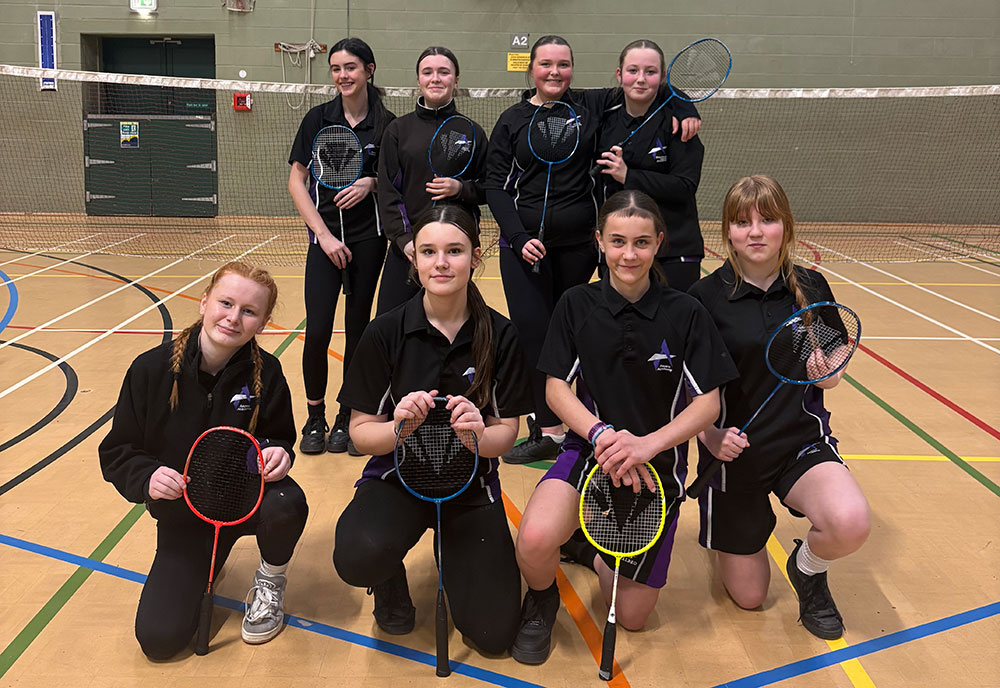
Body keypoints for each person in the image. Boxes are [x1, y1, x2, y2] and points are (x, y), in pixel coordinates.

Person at [511, 191, 737, 664]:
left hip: (657, 470)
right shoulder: (576, 304)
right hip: (590, 454)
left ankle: (588, 547)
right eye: (617, 241)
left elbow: (708, 403)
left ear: (658, 243)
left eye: (640, 242)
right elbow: (556, 390)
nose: (628, 254)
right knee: (532, 539)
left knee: (632, 615)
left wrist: (647, 445)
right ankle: (541, 602)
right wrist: (600, 435)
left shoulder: (685, 311)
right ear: (599, 242)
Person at [485, 35, 702, 464]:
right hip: (524, 246)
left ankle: (592, 423)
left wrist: (685, 105)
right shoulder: (512, 119)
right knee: (534, 332)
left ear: (573, 70)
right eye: (545, 64)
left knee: (576, 333)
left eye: (563, 64)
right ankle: (546, 428)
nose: (554, 72)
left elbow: (648, 87)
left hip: (581, 247)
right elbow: (494, 183)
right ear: (531, 68)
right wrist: (516, 235)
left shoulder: (589, 107)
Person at [332, 205, 532, 655]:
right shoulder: (384, 333)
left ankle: (457, 558)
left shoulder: (501, 336)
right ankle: (388, 576)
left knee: (493, 635)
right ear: (414, 260)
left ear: (476, 258)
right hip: (396, 479)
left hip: (469, 486)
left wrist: (477, 436)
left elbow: (507, 436)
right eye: (429, 251)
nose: (441, 262)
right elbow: (362, 433)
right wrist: (398, 429)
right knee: (357, 556)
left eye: (455, 250)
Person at [687, 175, 871, 640]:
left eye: (767, 220)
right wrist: (709, 436)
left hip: (799, 443)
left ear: (785, 227)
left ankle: (807, 569)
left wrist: (827, 372)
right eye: (742, 221)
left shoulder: (811, 284)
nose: (755, 232)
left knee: (849, 523)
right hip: (732, 455)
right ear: (727, 231)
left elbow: (828, 366)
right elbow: (684, 391)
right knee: (750, 597)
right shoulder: (703, 299)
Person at [99, 261, 308, 659]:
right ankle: (206, 560)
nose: (233, 318)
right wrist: (146, 478)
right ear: (204, 302)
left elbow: (278, 435)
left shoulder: (269, 373)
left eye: (249, 311)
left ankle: (270, 581)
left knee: (287, 504)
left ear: (262, 323)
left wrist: (277, 452)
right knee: (159, 640)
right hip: (186, 517)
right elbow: (118, 448)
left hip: (247, 502)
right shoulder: (150, 369)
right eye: (225, 303)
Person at [288, 37, 395, 456]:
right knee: (316, 332)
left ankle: (348, 415)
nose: (342, 75)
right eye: (335, 68)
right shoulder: (318, 119)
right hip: (325, 242)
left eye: (350, 67)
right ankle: (315, 416)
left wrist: (372, 181)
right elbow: (297, 181)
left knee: (358, 332)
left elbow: (396, 182)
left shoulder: (387, 124)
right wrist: (325, 237)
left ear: (369, 70)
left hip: (369, 242)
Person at [376, 46, 489, 314]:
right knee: (391, 322)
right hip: (408, 249)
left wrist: (461, 189)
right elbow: (388, 191)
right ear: (419, 80)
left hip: (453, 250)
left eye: (444, 72)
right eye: (428, 72)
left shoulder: (473, 132)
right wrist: (406, 241)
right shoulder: (398, 130)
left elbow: (488, 187)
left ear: (456, 80)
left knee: (447, 323)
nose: (435, 78)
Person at [595, 39, 706, 292]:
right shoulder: (603, 115)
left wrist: (628, 176)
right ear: (619, 74)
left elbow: (685, 186)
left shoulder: (679, 124)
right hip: (621, 251)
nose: (641, 79)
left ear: (663, 76)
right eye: (633, 70)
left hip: (675, 249)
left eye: (651, 72)